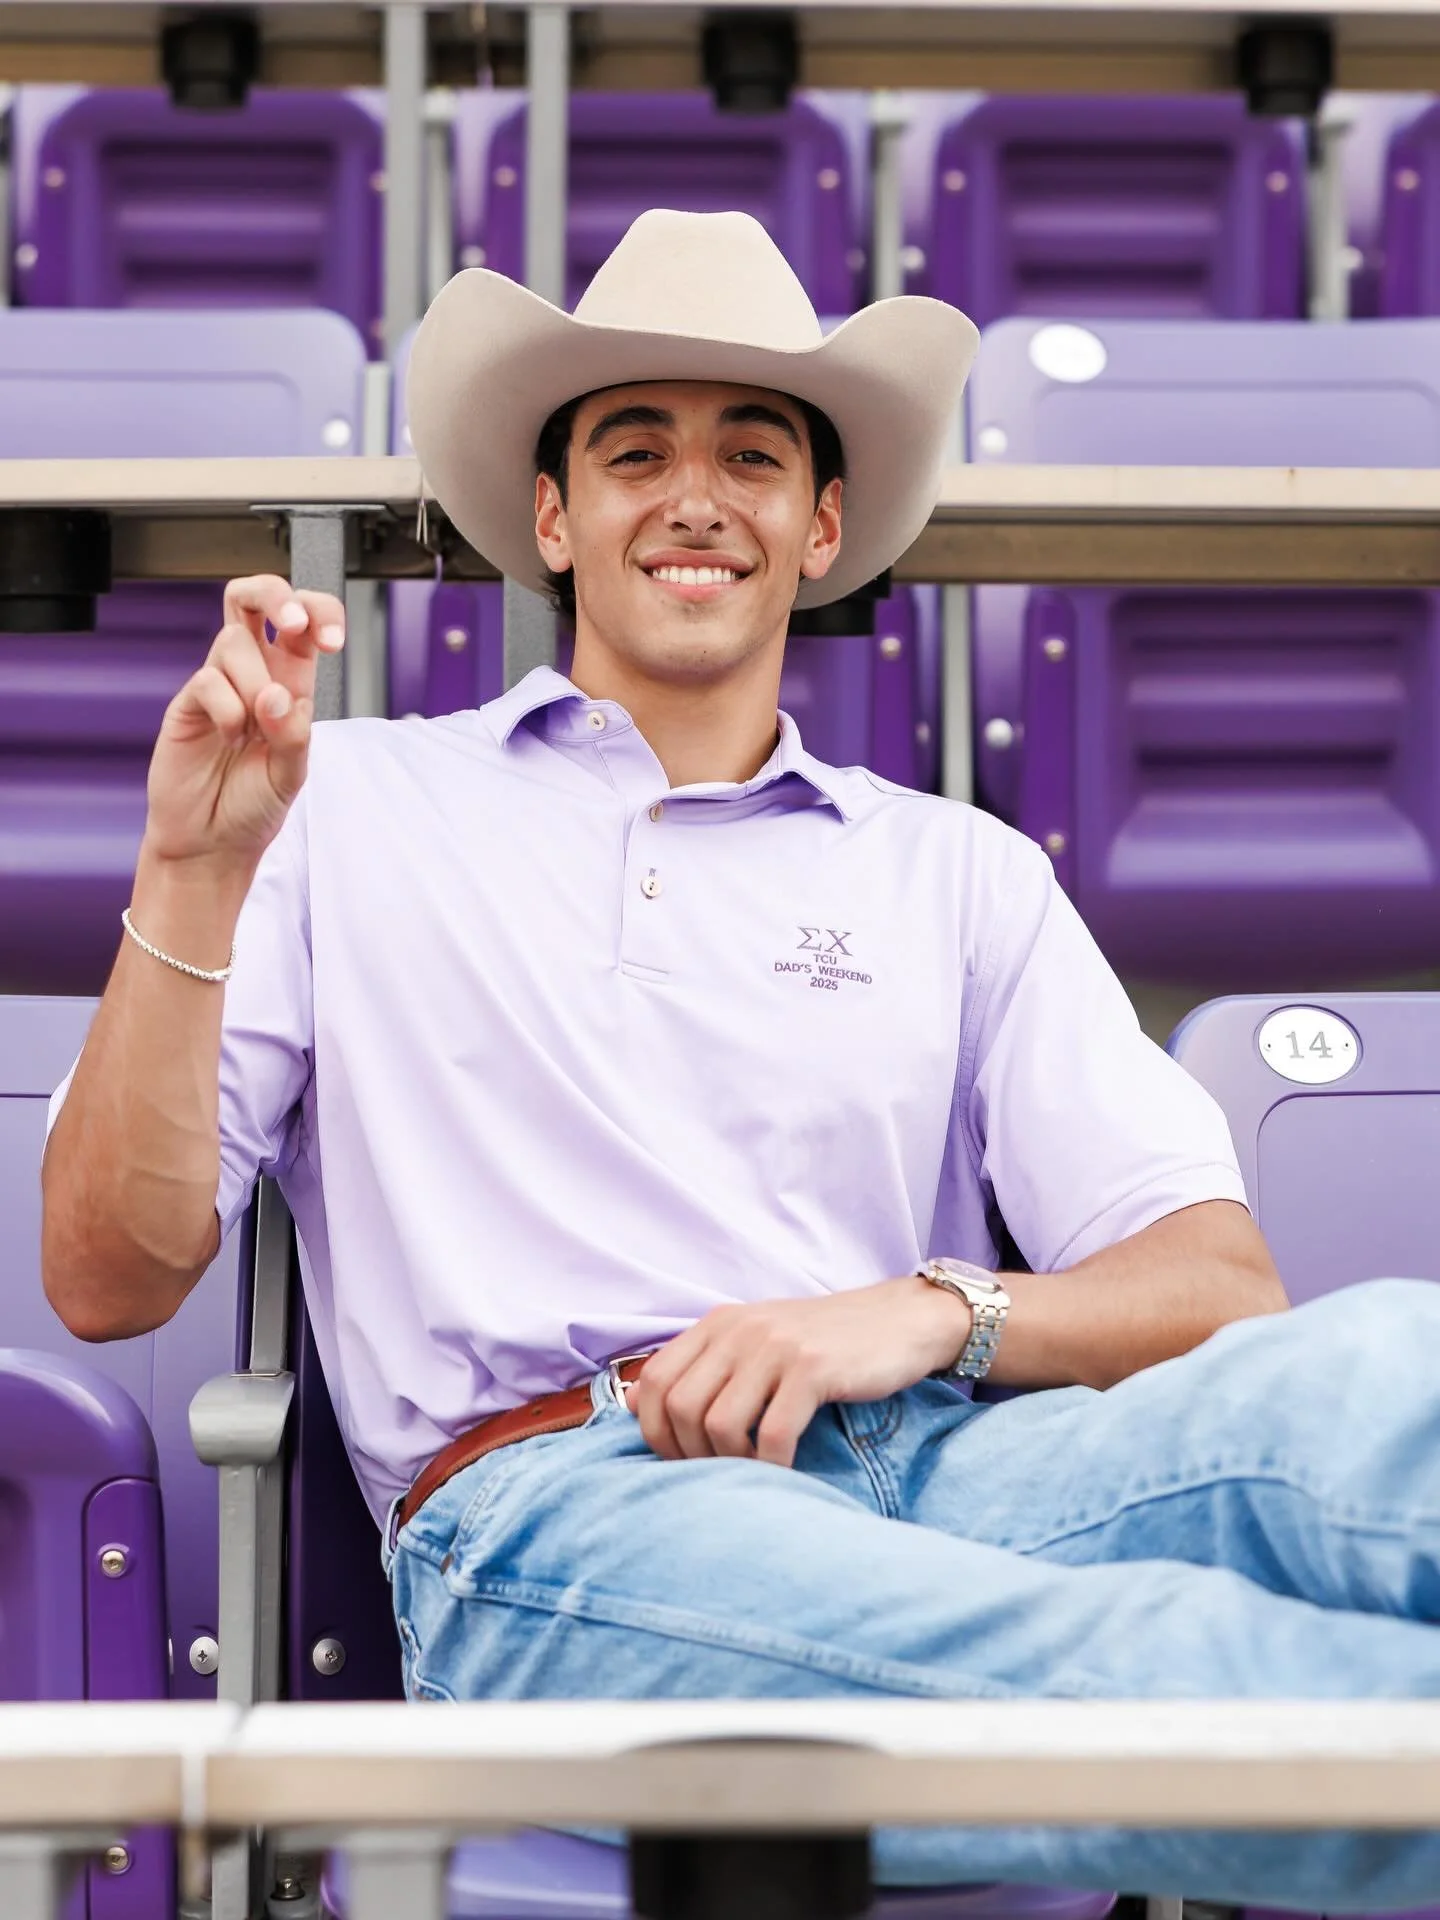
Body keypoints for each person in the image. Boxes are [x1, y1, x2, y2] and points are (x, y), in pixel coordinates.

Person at [39, 210, 1440, 1910]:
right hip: (568, 1519)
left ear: (819, 523)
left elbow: (1222, 1289)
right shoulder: (344, 807)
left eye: (752, 453)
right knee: (1171, 1666)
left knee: (1391, 1383)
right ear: (554, 516)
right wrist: (192, 869)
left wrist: (930, 1310)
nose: (694, 494)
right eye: (635, 450)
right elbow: (108, 1276)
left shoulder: (959, 866)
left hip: (944, 1452)